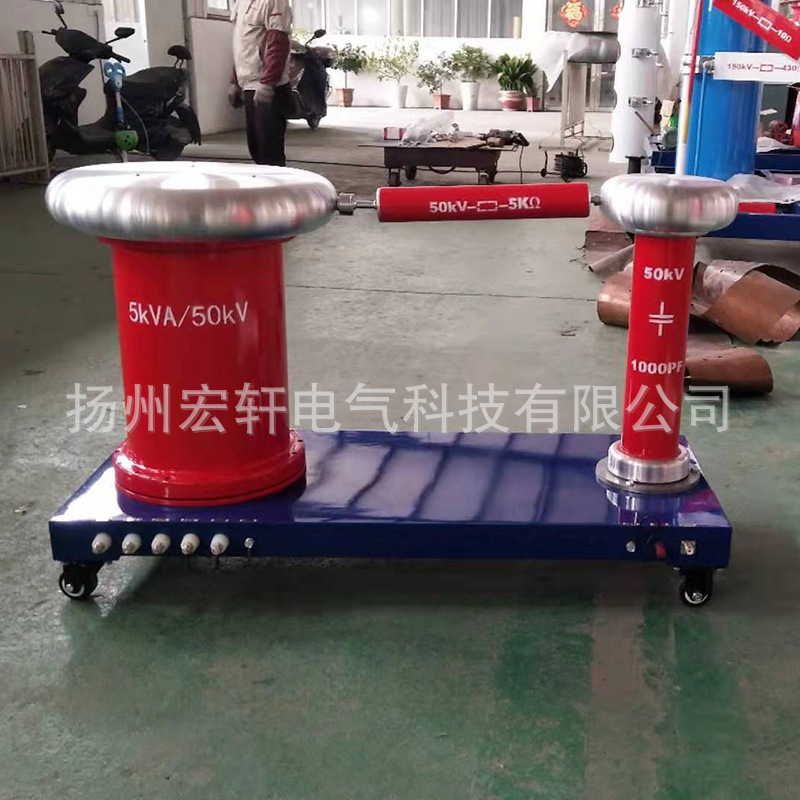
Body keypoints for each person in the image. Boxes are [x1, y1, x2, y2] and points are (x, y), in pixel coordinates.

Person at [228, 0, 293, 166]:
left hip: (267, 87)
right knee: (256, 147)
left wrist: (267, 84)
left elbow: (278, 43)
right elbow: (241, 46)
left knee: (270, 151)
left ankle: (277, 182)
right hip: (248, 85)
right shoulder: (240, 3)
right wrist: (235, 81)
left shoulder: (273, 2)